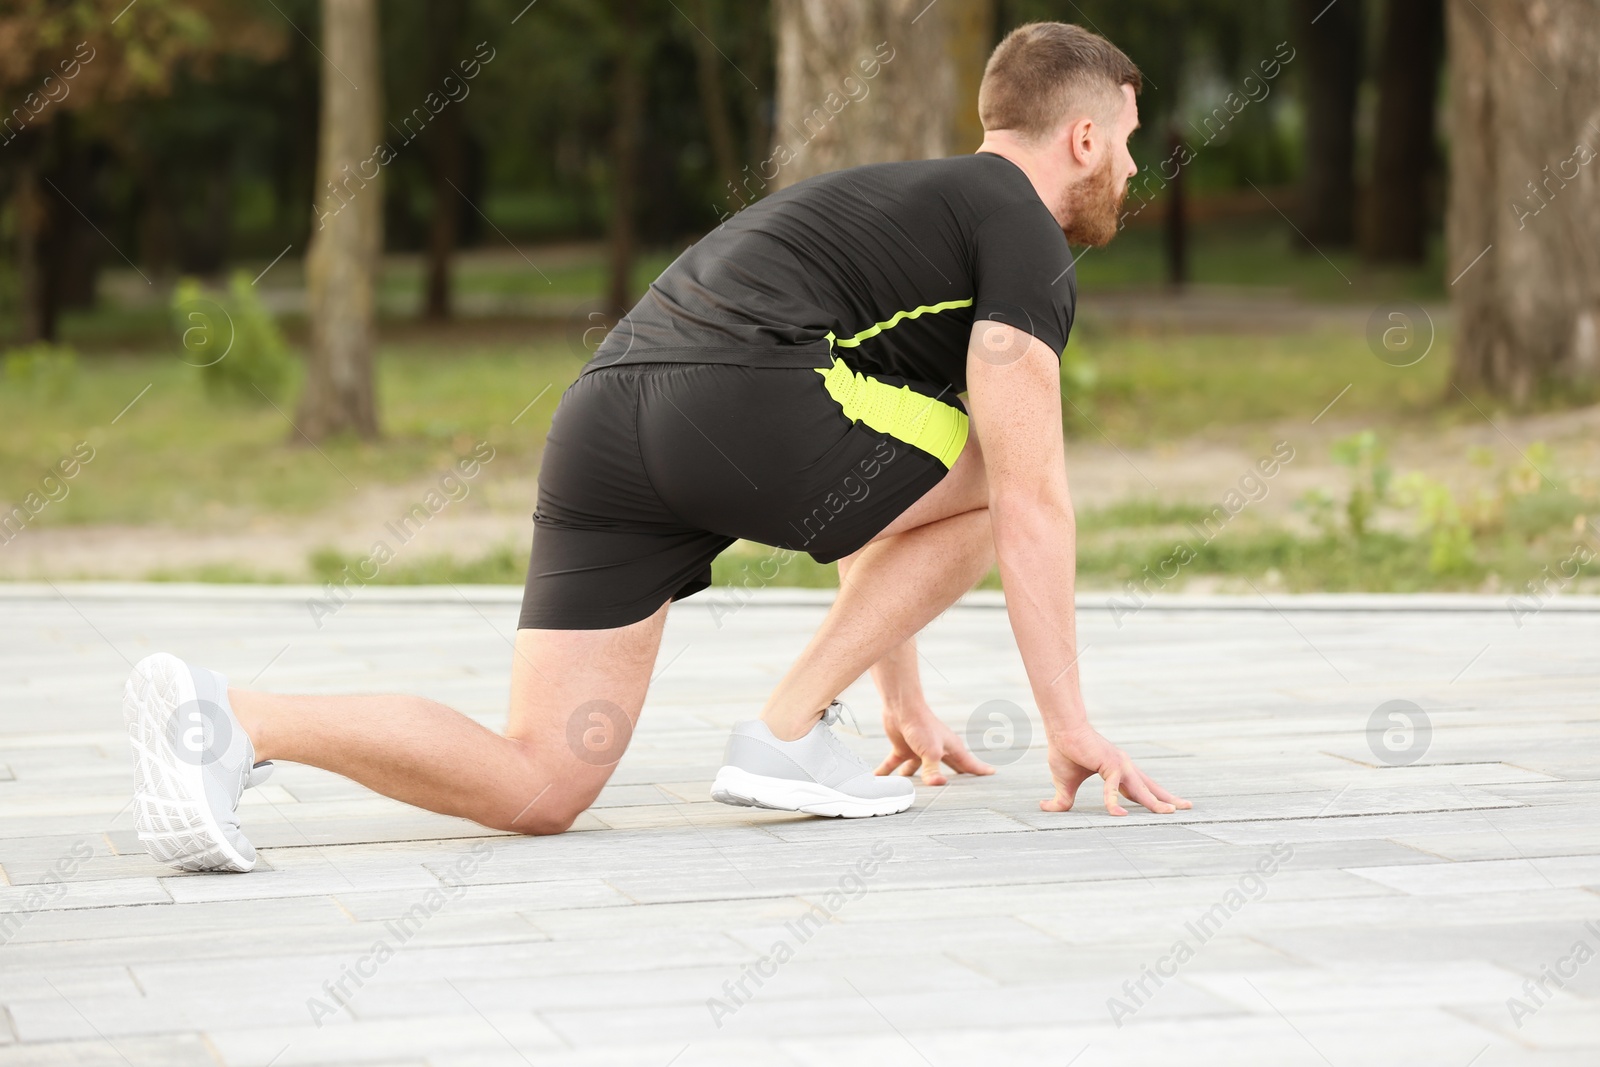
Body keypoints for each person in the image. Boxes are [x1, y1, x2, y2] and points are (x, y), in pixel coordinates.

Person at [121, 21, 1189, 874]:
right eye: (1130, 142)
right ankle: (780, 726)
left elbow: (880, 471)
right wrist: (1071, 722)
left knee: (541, 781)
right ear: (1083, 138)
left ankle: (229, 717)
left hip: (610, 419)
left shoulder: (905, 209)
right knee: (1003, 473)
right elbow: (1027, 501)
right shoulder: (1024, 238)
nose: (1134, 170)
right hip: (747, 401)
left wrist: (895, 688)